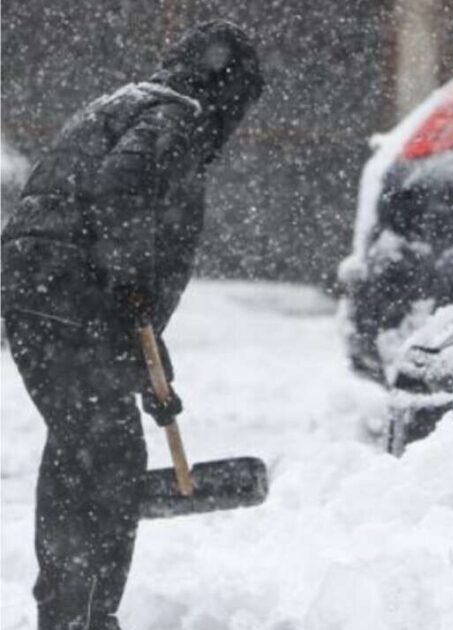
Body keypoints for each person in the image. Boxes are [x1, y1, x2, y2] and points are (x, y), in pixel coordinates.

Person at [0, 21, 263, 629]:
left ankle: (68, 611)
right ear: (225, 90)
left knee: (80, 446)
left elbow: (104, 226)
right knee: (107, 457)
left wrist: (151, 368)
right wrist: (133, 286)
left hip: (38, 292)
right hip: (70, 296)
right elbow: (122, 197)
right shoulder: (176, 116)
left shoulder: (124, 104)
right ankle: (85, 615)